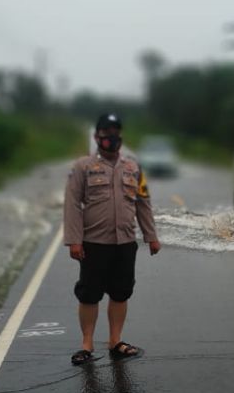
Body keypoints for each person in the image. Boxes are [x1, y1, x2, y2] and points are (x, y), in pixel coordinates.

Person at [63, 113, 161, 365]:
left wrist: (151, 236)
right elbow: (72, 204)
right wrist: (74, 240)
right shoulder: (82, 167)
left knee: (121, 293)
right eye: (106, 133)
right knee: (89, 294)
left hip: (125, 243)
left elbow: (143, 203)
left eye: (116, 132)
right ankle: (86, 345)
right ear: (97, 137)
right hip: (93, 242)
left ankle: (115, 341)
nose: (112, 138)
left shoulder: (133, 167)